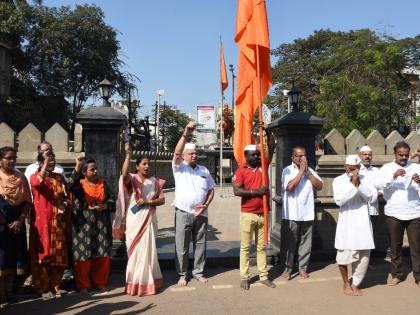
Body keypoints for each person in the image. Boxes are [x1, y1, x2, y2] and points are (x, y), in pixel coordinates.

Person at [113, 143, 165, 296]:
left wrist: (148, 202)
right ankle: (134, 283)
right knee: (135, 251)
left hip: (149, 219)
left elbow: (162, 200)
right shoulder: (133, 179)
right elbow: (123, 176)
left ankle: (148, 282)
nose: (147, 166)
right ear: (137, 167)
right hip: (135, 220)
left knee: (148, 252)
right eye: (144, 164)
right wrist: (128, 156)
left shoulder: (155, 182)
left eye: (148, 164)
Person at [172, 122, 215, 286]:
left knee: (200, 245)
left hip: (201, 214)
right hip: (183, 212)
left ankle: (198, 272)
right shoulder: (179, 167)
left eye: (195, 153)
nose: (194, 156)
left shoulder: (204, 170)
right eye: (190, 153)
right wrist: (185, 134)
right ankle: (182, 274)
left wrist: (206, 205)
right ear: (183, 156)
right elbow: (176, 152)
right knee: (181, 246)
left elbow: (211, 190)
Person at [232, 129, 276, 290]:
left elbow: (271, 148)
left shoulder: (264, 166)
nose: (257, 157)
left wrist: (268, 134)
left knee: (262, 247)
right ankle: (244, 277)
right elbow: (237, 191)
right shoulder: (241, 171)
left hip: (263, 213)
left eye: (258, 154)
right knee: (245, 247)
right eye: (253, 155)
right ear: (246, 156)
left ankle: (263, 276)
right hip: (248, 214)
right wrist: (256, 192)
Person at [375, 141, 420, 287]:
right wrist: (393, 176)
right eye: (401, 155)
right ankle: (397, 274)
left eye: (406, 155)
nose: (404, 157)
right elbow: (378, 185)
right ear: (395, 154)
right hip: (394, 213)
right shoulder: (387, 168)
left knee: (417, 246)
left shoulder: (416, 167)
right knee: (395, 246)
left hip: (414, 212)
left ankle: (418, 275)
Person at [69, 156, 113, 294]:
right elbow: (71, 184)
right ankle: (83, 285)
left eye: (96, 169)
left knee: (102, 254)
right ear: (84, 172)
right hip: (83, 226)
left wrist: (105, 206)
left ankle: (100, 282)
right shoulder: (79, 185)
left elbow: (113, 201)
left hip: (101, 225)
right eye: (92, 169)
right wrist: (77, 165)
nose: (95, 171)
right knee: (83, 256)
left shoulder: (103, 184)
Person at [30, 151, 71, 299]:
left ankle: (56, 285)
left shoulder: (59, 178)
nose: (52, 164)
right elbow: (38, 183)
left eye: (53, 161)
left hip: (58, 220)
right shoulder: (34, 177)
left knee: (58, 252)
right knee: (44, 253)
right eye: (48, 161)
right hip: (42, 222)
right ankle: (43, 287)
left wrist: (64, 205)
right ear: (40, 163)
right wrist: (45, 166)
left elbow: (67, 196)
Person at [333, 155, 375, 296]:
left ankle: (355, 283)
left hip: (362, 223)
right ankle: (345, 283)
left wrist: (358, 184)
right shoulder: (338, 181)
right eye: (350, 168)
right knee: (343, 256)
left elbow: (370, 197)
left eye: (356, 168)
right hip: (346, 224)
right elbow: (339, 200)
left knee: (364, 257)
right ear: (345, 167)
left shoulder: (366, 179)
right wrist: (353, 185)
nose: (353, 171)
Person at [280, 146, 323, 280]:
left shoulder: (310, 171)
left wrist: (308, 173)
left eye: (304, 155)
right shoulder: (287, 170)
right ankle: (287, 269)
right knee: (290, 243)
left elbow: (320, 186)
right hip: (292, 213)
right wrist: (301, 172)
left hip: (307, 213)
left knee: (306, 243)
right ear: (293, 157)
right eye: (299, 156)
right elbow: (290, 187)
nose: (302, 158)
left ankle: (302, 268)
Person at [0, 147, 32, 308]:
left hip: (17, 225)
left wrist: (20, 220)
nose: (12, 161)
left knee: (14, 257)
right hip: (1, 225)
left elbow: (27, 201)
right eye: (8, 158)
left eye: (14, 158)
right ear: (0, 160)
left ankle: (10, 292)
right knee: (2, 259)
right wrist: (4, 222)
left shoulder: (21, 178)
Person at [358, 145, 381, 227]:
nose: (367, 157)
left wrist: (379, 194)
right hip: (358, 209)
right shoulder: (356, 171)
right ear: (360, 156)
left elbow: (382, 187)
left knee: (372, 236)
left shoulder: (377, 171)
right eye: (365, 154)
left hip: (372, 209)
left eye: (369, 155)